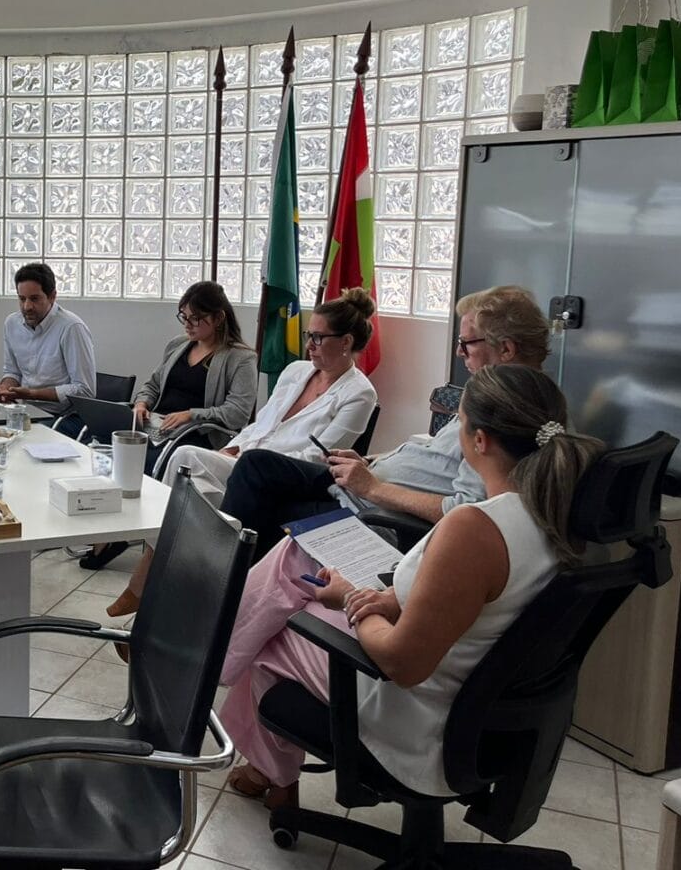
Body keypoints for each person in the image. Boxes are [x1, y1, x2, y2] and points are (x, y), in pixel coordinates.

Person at [217, 364, 600, 810]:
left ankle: (217, 685)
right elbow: (472, 606)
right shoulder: (556, 518)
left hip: (419, 725)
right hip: (480, 709)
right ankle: (247, 731)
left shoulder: (474, 529)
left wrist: (353, 601)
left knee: (277, 626)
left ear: (479, 441)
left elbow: (402, 663)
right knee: (291, 573)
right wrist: (386, 599)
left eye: (458, 422)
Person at [216, 285, 551, 559]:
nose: (460, 352)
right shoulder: (495, 394)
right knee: (257, 466)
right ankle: (229, 574)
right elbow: (435, 458)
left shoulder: (503, 413)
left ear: (506, 350)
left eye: (466, 343)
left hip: (374, 511)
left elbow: (465, 508)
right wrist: (370, 463)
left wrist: (373, 487)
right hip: (365, 485)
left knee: (259, 494)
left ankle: (222, 579)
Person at [103, 288, 377, 604]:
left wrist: (251, 459)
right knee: (189, 472)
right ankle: (167, 575)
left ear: (345, 342)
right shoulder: (296, 371)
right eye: (308, 335)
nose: (309, 345)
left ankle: (152, 581)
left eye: (318, 337)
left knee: (190, 471)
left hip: (282, 475)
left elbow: (317, 456)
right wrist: (233, 448)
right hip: (246, 456)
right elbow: (261, 424)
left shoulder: (359, 393)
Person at [79, 281, 258, 571]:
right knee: (105, 449)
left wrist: (191, 415)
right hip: (157, 425)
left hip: (196, 435)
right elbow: (152, 384)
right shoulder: (178, 345)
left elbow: (237, 413)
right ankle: (110, 527)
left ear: (218, 317)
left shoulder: (240, 358)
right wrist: (142, 403)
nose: (187, 324)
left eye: (195, 319)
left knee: (141, 459)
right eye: (183, 316)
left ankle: (124, 535)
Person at [0, 262, 96, 425]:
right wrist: (6, 388)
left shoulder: (71, 327)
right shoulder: (12, 323)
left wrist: (31, 394)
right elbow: (13, 372)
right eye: (22, 299)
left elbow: (84, 391)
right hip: (27, 412)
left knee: (19, 436)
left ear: (52, 296)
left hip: (65, 417)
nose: (27, 306)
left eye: (34, 299)